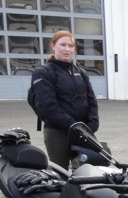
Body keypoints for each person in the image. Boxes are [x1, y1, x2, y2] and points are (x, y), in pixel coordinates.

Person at [30, 30, 99, 170]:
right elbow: (47, 106)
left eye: (71, 46)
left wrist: (91, 125)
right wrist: (74, 126)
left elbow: (92, 101)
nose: (67, 49)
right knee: (60, 172)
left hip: (82, 132)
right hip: (58, 132)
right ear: (53, 46)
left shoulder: (81, 72)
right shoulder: (43, 72)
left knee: (86, 171)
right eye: (63, 45)